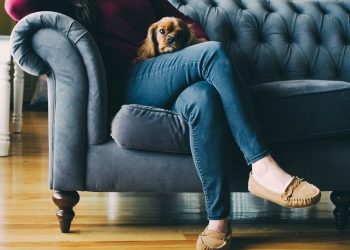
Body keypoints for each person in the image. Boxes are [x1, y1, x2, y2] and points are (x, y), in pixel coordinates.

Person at [4, 1, 321, 249]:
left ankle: (218, 221)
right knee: (212, 53)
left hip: (168, 73)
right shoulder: (74, 1)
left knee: (204, 97)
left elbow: (186, 21)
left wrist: (188, 49)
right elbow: (16, 7)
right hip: (128, 79)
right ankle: (262, 165)